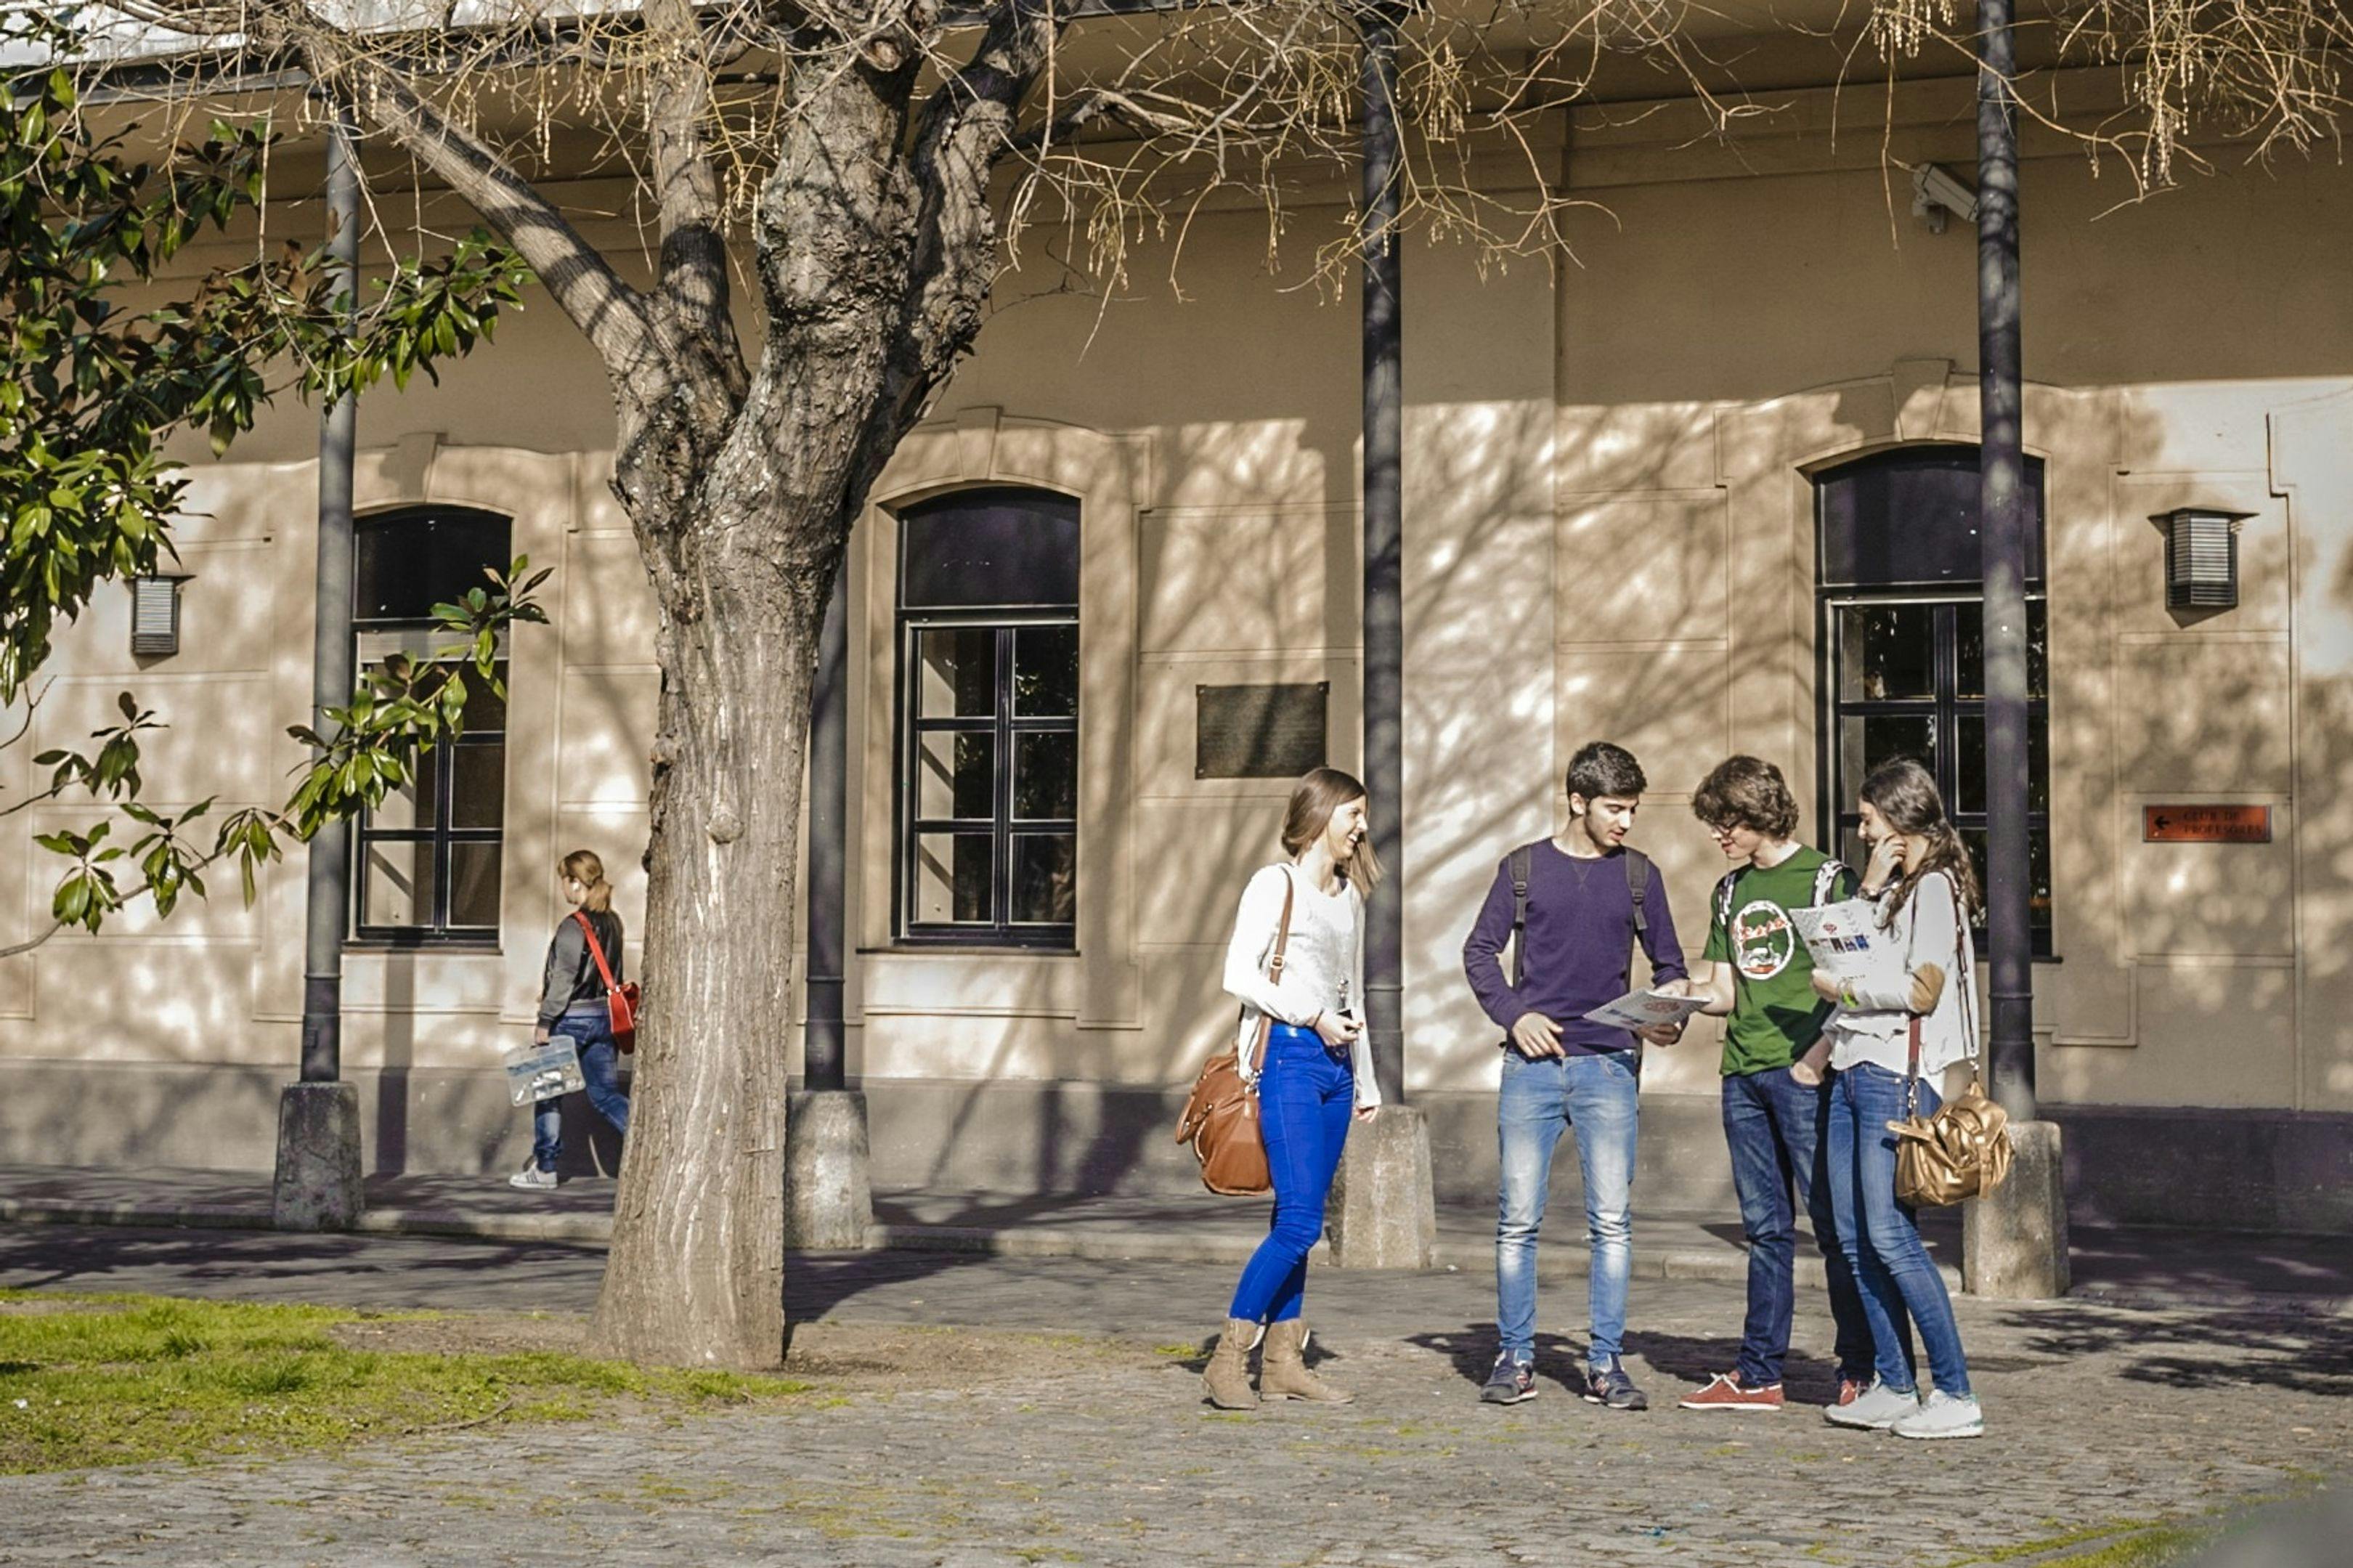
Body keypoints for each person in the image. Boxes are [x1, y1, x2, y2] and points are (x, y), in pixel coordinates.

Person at [1461, 741, 1689, 1411]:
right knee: (1518, 1221)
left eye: (1633, 809)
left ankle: (1605, 1364)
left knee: (1612, 1223)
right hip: (1530, 1069)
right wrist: (1513, 1014)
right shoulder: (1524, 869)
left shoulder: (1640, 876)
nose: (1626, 821)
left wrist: (1666, 1015)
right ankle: (1515, 1357)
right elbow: (1479, 952)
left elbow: (1671, 965)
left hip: (1610, 1068)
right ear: (1577, 801)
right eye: (1615, 808)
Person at [1678, 756, 1874, 1413]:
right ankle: (1759, 1372)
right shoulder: (1729, 891)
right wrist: (1676, 1000)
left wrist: (1816, 1057)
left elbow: (1857, 986)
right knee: (1765, 1229)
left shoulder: (1826, 881)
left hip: (1804, 1074)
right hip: (1743, 1074)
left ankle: (1861, 1367)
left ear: (1759, 812)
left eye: (1726, 821)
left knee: (1835, 1226)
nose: (1719, 834)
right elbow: (1725, 991)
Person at [1813, 757, 1986, 1439]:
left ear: (1900, 820)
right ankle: (1892, 1380)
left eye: (1868, 820)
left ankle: (1955, 1391)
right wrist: (1873, 883)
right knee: (1855, 1238)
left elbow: (1921, 990)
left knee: (1892, 1236)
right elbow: (1846, 946)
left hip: (1893, 1075)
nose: (1860, 831)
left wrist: (1843, 992)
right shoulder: (1894, 889)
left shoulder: (1937, 890)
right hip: (1853, 1068)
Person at [1201, 768, 1383, 1410]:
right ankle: (1229, 1359)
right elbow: (1238, 973)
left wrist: (1365, 1078)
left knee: (1297, 1218)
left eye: (1364, 815)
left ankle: (1284, 1362)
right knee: (1302, 1219)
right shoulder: (1272, 884)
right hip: (1289, 1057)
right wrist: (1311, 1017)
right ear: (1321, 813)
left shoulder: (1348, 897)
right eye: (1353, 813)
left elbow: (1352, 993)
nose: (1362, 826)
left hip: (1336, 1066)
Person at [511, 850, 632, 1190]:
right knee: (606, 1096)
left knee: (548, 1093)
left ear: (576, 882)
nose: (562, 888)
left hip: (572, 1018)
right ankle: (650, 1148)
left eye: (564, 880)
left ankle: (546, 1169)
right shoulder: (614, 922)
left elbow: (564, 976)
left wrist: (545, 1020)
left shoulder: (573, 925)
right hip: (605, 1019)